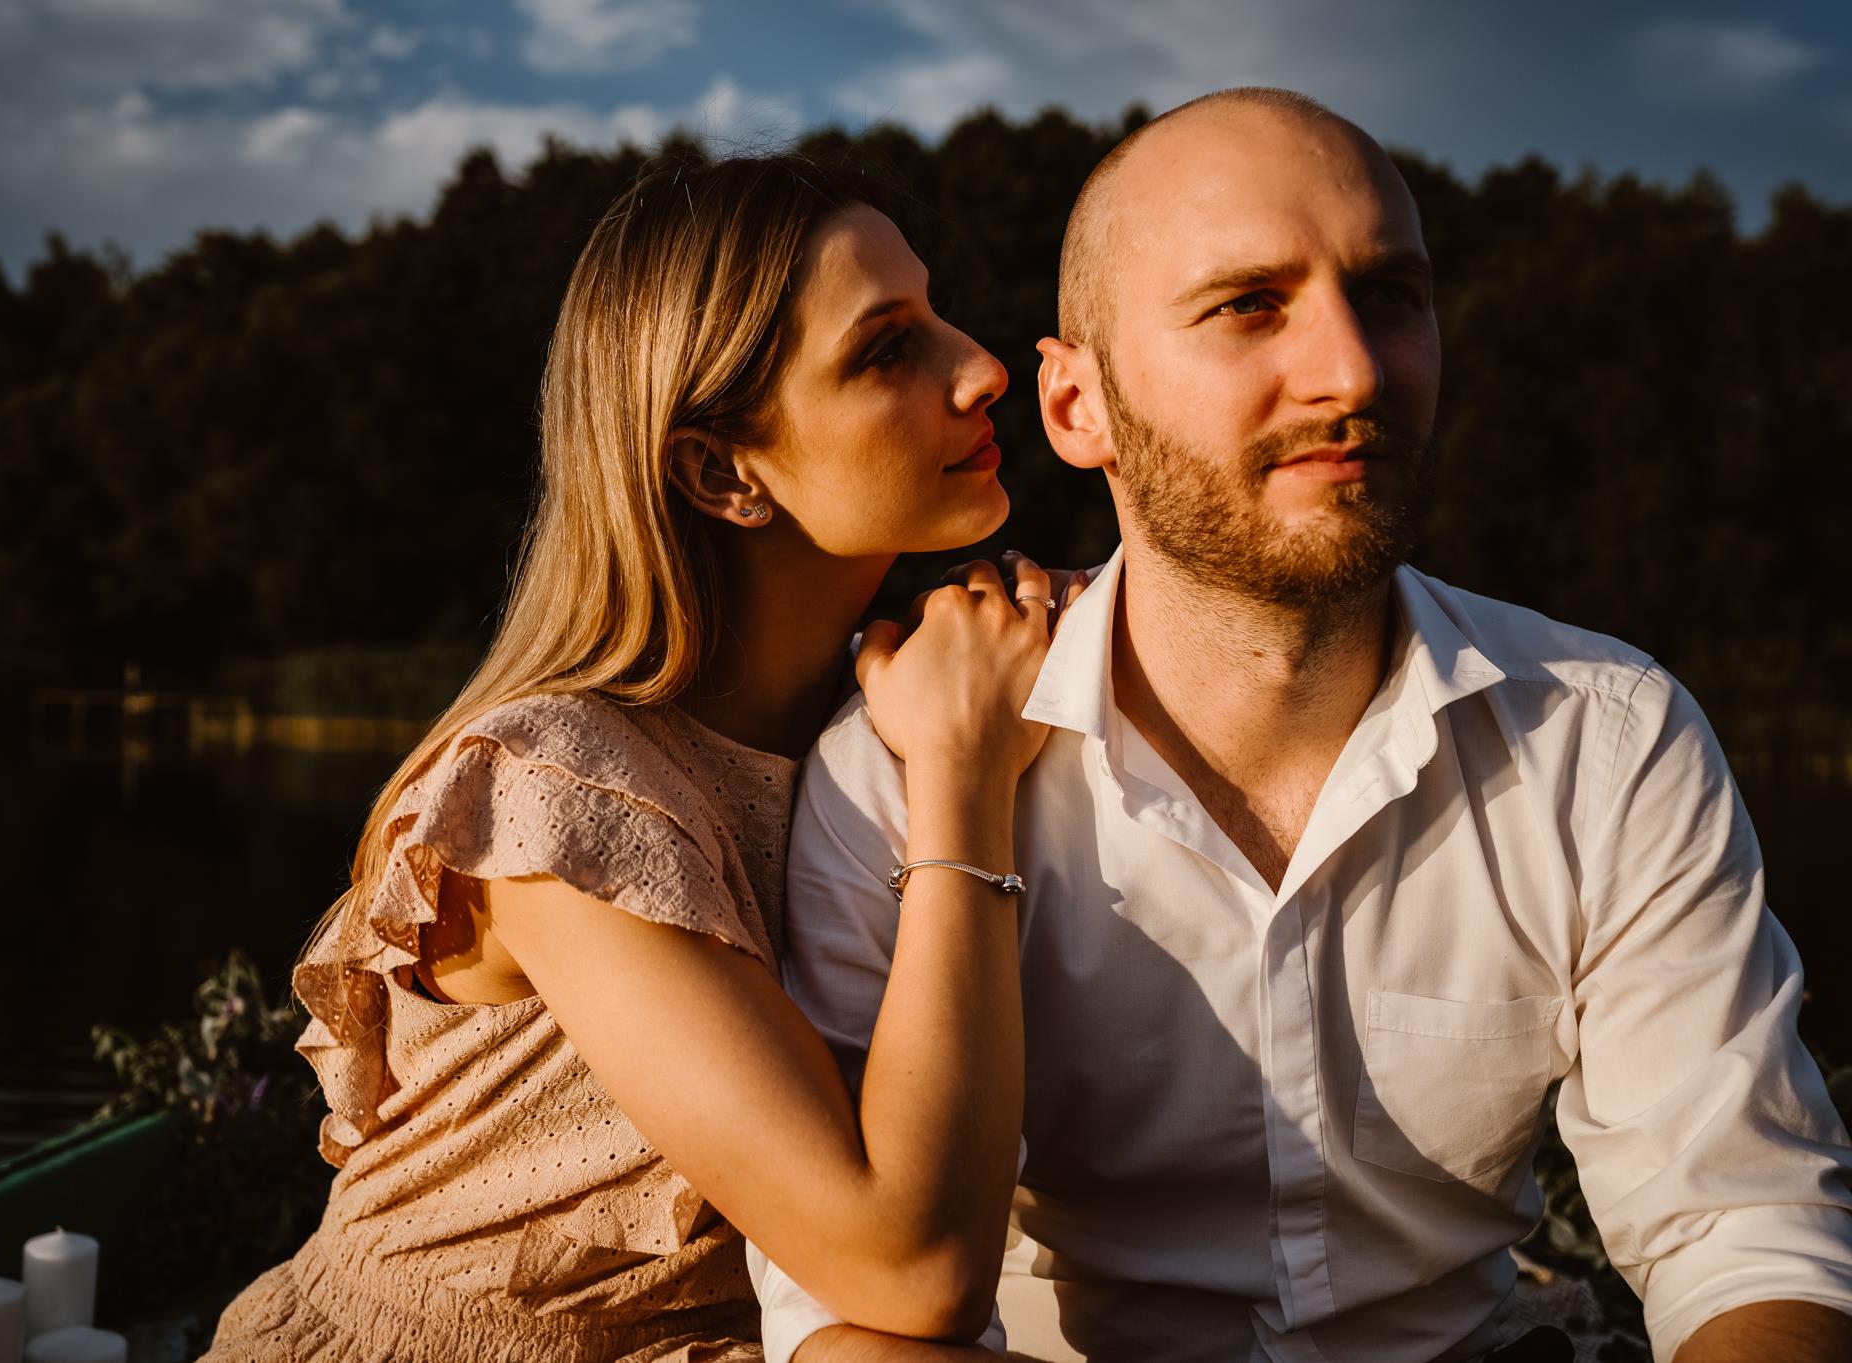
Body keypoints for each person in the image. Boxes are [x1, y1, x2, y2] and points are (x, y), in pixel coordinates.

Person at [756, 89, 1852, 1363]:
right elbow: (840, 1332)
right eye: (1246, 305)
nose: (1353, 372)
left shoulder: (1604, 740)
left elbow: (1742, 1230)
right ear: (1074, 409)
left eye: (1391, 297)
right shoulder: (891, 780)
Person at [199, 154, 1077, 1362]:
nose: (981, 369)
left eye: (935, 315)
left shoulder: (891, 688)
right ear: (721, 471)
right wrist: (961, 784)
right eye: (886, 350)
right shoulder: (556, 795)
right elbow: (911, 1267)